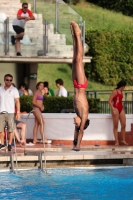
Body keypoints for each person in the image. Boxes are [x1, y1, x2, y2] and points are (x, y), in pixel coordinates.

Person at [70, 21, 89, 151]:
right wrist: (78, 146)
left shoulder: (77, 111)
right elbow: (81, 131)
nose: (74, 121)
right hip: (81, 84)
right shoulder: (84, 113)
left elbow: (76, 132)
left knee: (73, 59)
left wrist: (74, 141)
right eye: (76, 123)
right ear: (81, 123)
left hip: (75, 84)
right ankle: (78, 34)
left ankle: (74, 38)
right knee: (79, 59)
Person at [0, 74, 20, 151]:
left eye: (10, 80)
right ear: (4, 80)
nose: (9, 81)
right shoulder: (0, 89)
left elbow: (17, 101)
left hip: (10, 112)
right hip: (1, 111)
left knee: (11, 129)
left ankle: (9, 144)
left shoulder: (14, 90)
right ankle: (2, 144)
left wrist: (18, 112)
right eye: (7, 80)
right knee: (0, 129)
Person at [108, 80, 128, 146]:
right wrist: (113, 109)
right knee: (116, 126)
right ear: (122, 86)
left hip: (120, 108)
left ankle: (123, 140)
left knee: (124, 125)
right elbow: (109, 101)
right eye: (124, 86)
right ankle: (116, 141)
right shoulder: (115, 91)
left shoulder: (121, 92)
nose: (124, 87)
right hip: (115, 108)